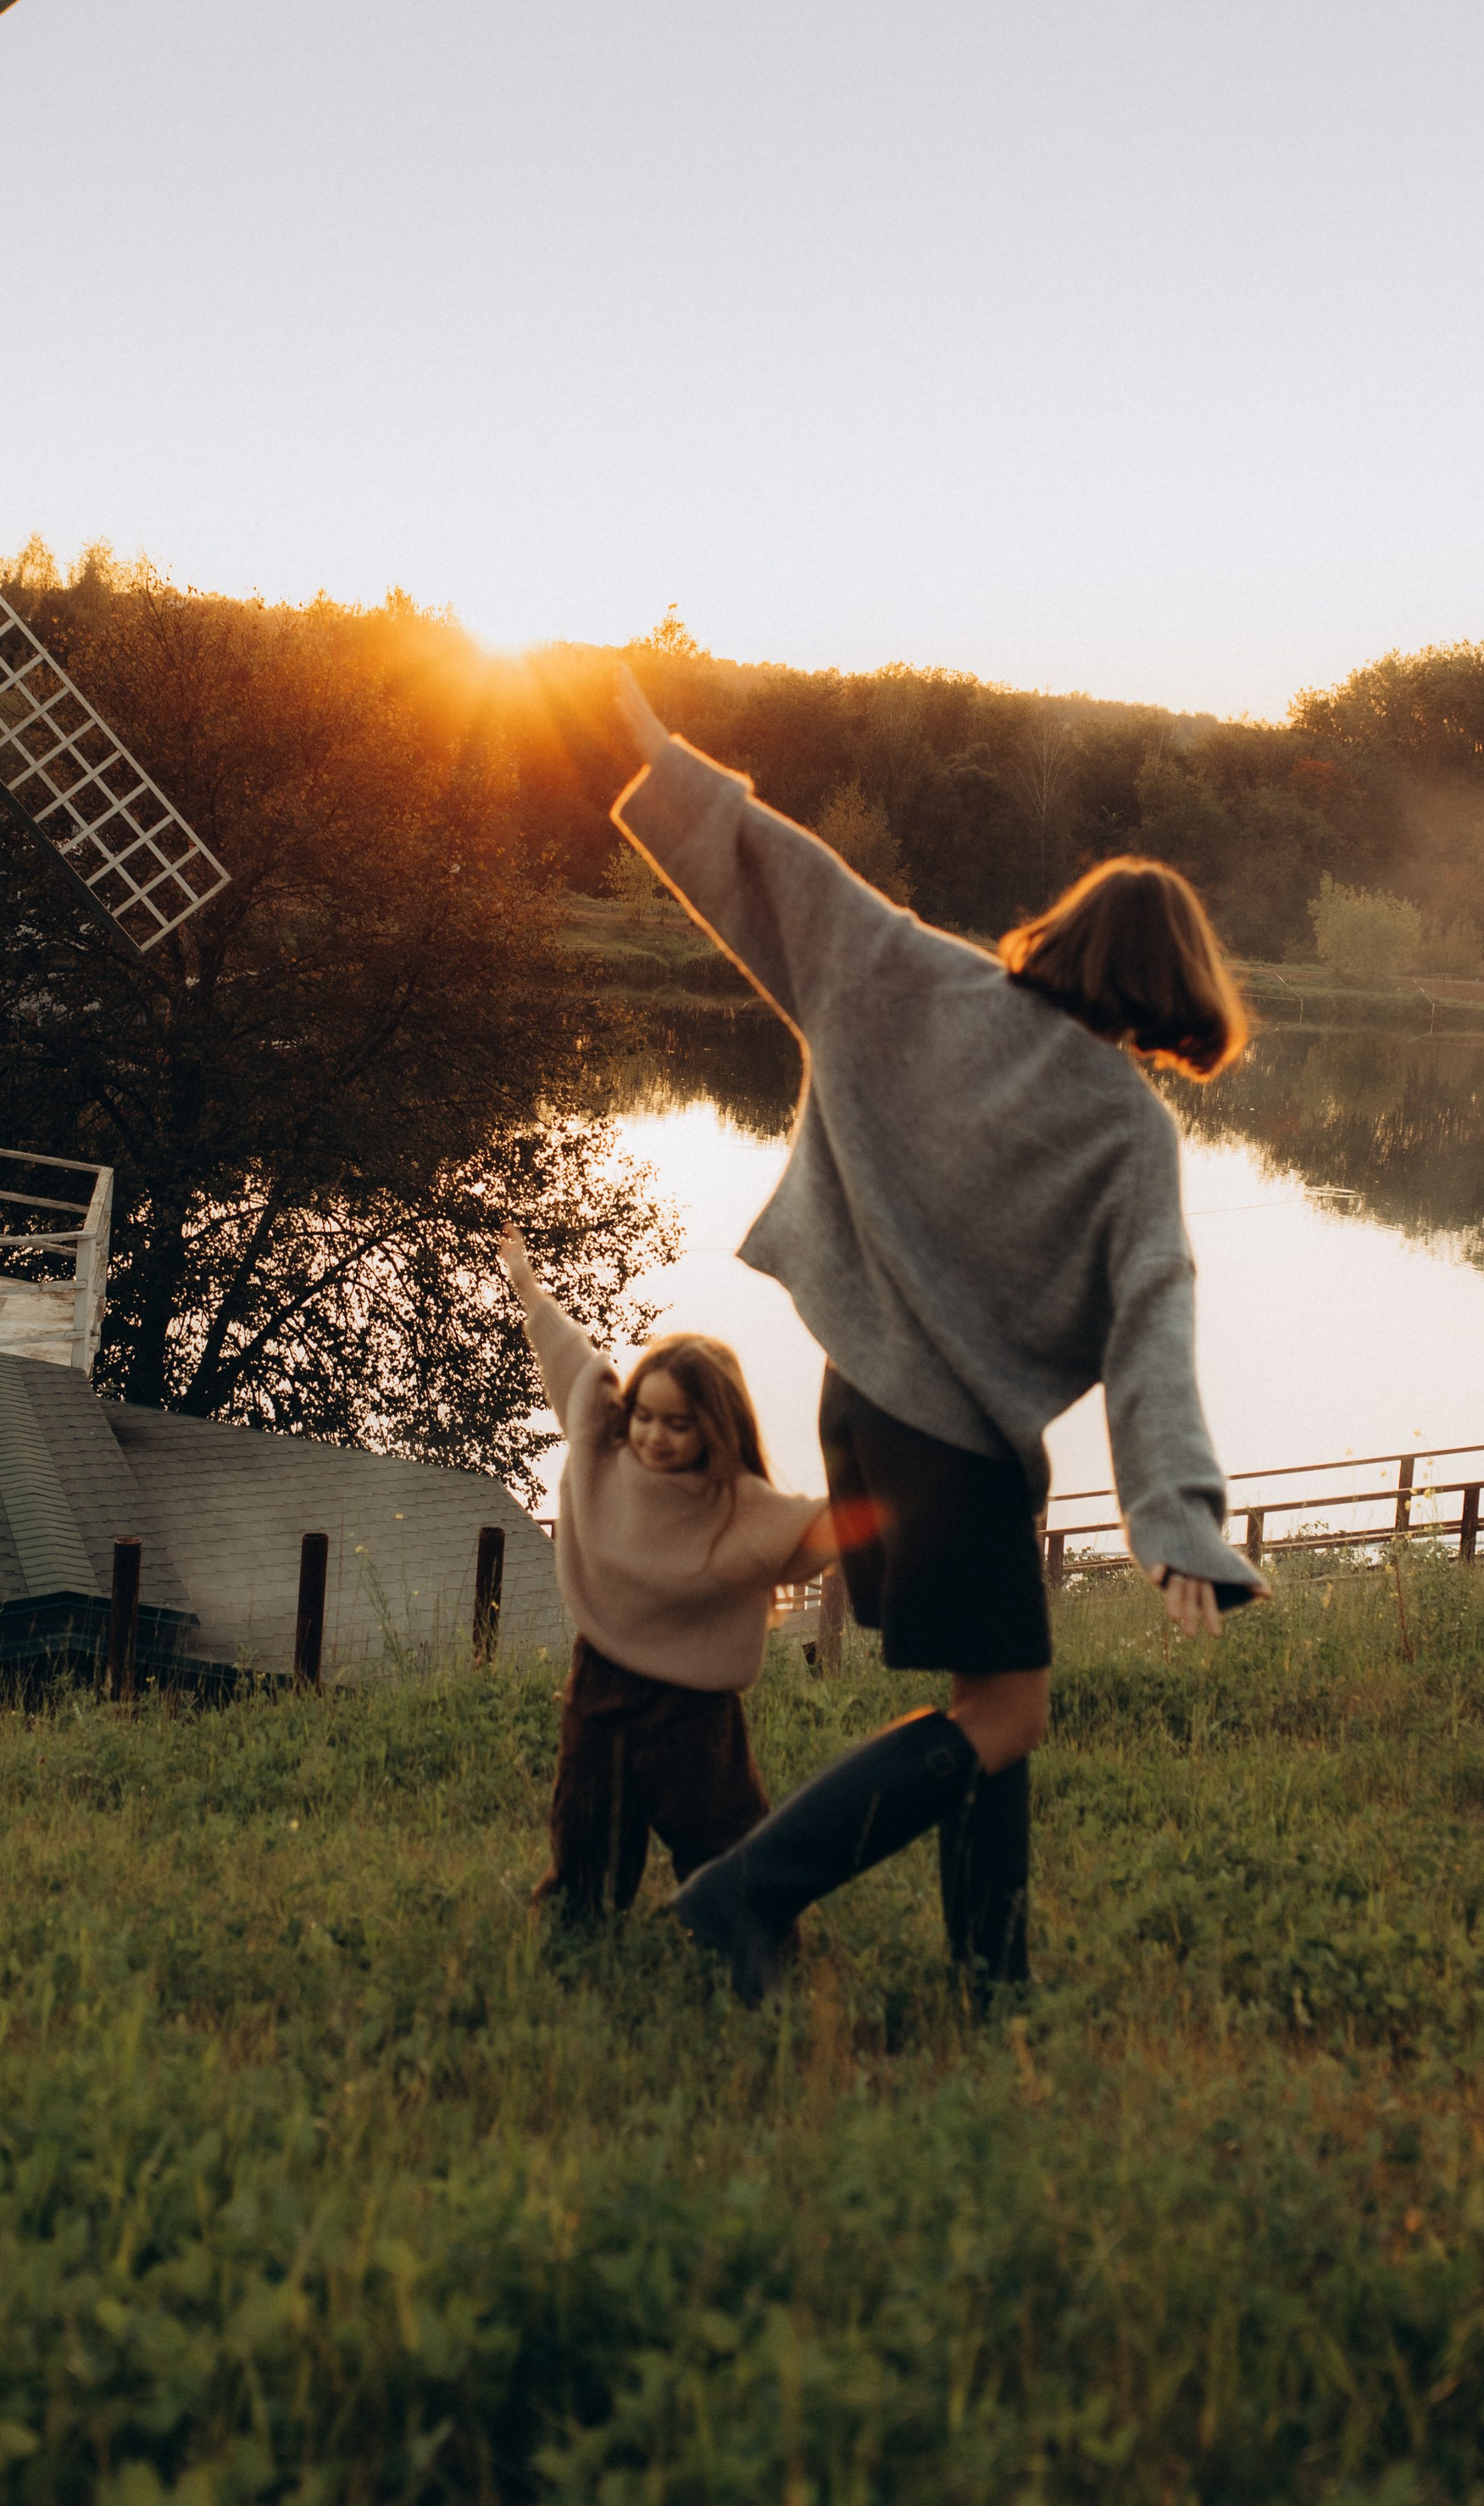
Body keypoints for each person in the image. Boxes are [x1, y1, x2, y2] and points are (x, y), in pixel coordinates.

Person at [601, 671, 1269, 2008]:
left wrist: (662, 752)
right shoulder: (1129, 1127)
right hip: (950, 1449)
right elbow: (1155, 1315)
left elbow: (795, 877)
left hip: (858, 1407)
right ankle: (745, 1893)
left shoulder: (924, 982)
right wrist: (1175, 1516)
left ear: (1068, 935)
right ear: (1176, 986)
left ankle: (991, 1975)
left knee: (987, 1702)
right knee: (1007, 1711)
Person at [500, 1224, 836, 1923]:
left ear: (715, 1426)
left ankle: (744, 1925)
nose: (654, 1434)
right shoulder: (605, 1449)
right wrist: (527, 1285)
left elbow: (828, 1530)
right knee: (588, 1822)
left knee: (721, 1829)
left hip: (697, 1709)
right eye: (645, 1415)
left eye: (677, 1424)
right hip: (603, 1684)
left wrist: (908, 1480)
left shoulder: (738, 1504)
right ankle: (580, 1924)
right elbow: (571, 1361)